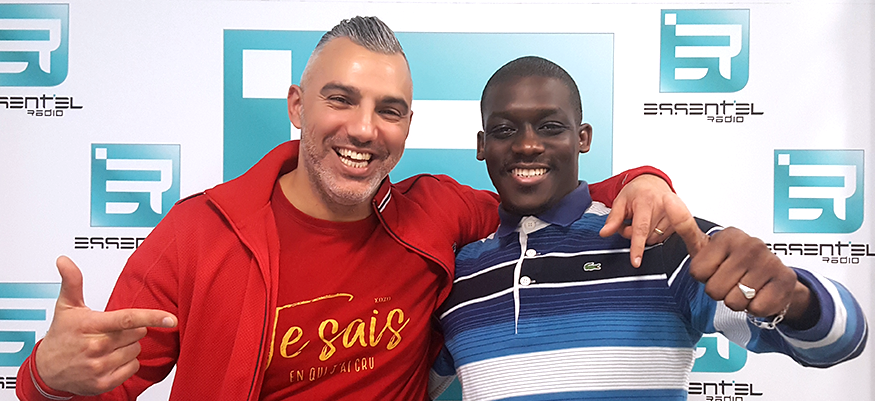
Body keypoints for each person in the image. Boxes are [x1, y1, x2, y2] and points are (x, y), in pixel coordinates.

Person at [16, 17, 679, 401]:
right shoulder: (199, 233)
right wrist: (44, 376)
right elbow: (96, 382)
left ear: (407, 125)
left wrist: (645, 180)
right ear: (297, 106)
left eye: (388, 110)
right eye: (340, 100)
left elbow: (541, 189)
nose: (364, 129)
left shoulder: (437, 212)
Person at [429, 56, 868, 401]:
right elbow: (406, 381)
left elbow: (841, 341)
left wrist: (795, 297)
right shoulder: (458, 274)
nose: (527, 145)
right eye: (505, 130)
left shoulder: (658, 240)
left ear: (582, 138)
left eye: (550, 127)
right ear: (482, 145)